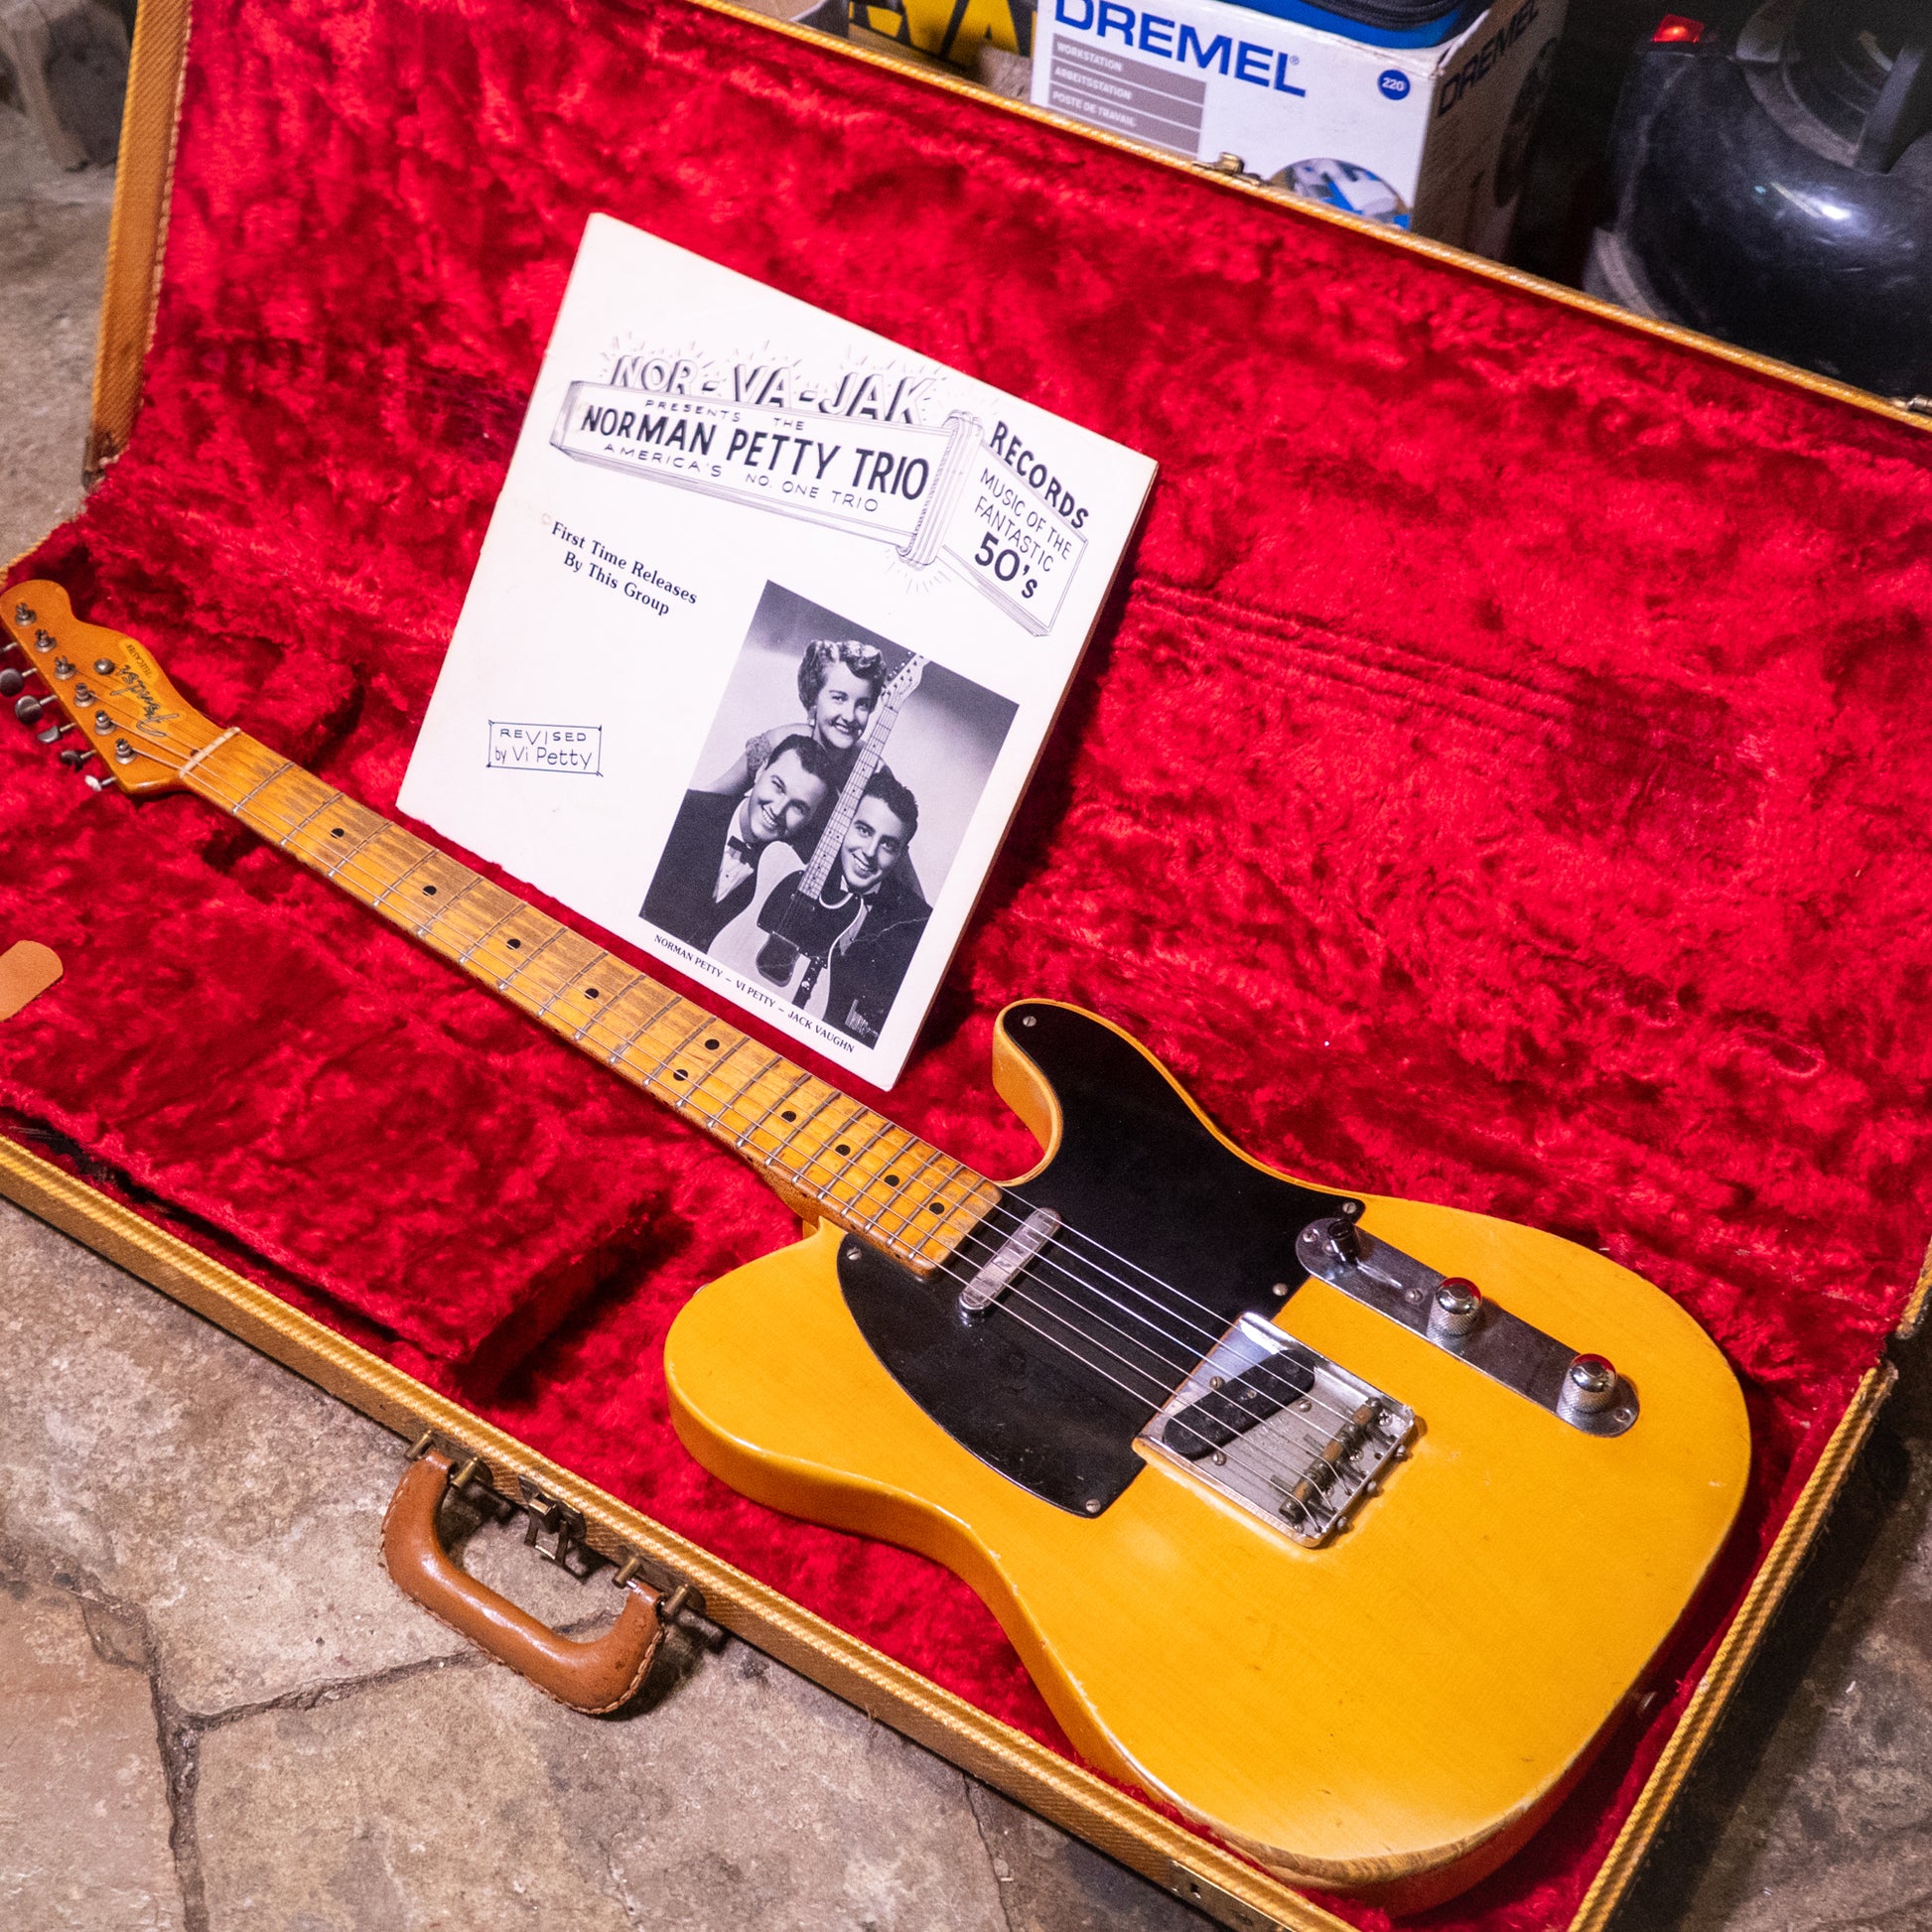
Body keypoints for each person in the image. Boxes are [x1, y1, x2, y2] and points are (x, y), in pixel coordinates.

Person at [642, 736, 834, 952]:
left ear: (810, 819)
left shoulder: (788, 884)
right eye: (778, 786)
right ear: (761, 771)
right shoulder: (684, 810)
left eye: (798, 807)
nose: (778, 809)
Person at [816, 768, 929, 1046]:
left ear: (901, 855)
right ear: (846, 823)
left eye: (888, 845)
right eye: (864, 830)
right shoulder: (801, 868)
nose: (868, 852)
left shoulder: (919, 927)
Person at [703, 637, 885, 799]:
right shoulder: (778, 743)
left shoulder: (874, 772)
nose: (849, 716)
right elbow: (707, 798)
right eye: (838, 698)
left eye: (863, 704)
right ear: (814, 696)